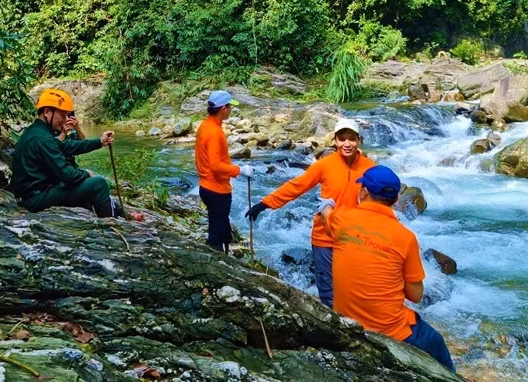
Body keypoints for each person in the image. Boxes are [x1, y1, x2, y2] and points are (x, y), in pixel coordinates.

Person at [330, 165, 455, 372]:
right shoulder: (406, 237)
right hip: (389, 331)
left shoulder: (340, 218)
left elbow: (328, 216)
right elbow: (415, 296)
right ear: (396, 199)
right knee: (436, 342)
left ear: (363, 192)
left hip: (346, 322)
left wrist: (326, 206)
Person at [245, 118, 375, 307]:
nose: (347, 144)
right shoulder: (325, 165)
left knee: (352, 288)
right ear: (335, 141)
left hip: (354, 238)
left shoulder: (370, 168)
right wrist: (265, 204)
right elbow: (297, 186)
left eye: (352, 139)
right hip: (324, 237)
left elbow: (381, 200)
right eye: (342, 139)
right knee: (328, 292)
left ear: (359, 140)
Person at [10, 89, 122, 218]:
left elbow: (68, 146)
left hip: (32, 195)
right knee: (98, 184)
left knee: (84, 187)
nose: (65, 120)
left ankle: (118, 215)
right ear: (47, 112)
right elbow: (67, 175)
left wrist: (100, 142)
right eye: (62, 115)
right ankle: (110, 225)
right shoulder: (42, 138)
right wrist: (86, 173)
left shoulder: (37, 132)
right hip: (35, 199)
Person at [195, 90, 254, 254]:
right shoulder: (215, 132)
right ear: (223, 109)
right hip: (217, 190)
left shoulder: (205, 126)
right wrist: (240, 170)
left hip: (206, 187)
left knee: (221, 230)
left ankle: (221, 257)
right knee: (218, 237)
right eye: (230, 107)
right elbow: (215, 166)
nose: (231, 110)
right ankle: (217, 263)